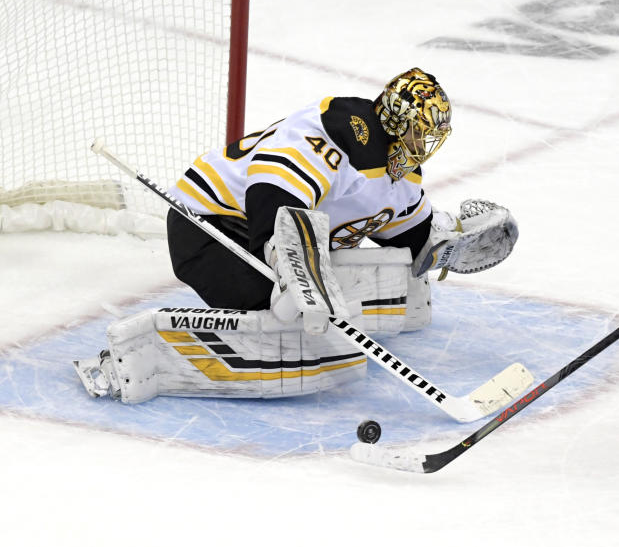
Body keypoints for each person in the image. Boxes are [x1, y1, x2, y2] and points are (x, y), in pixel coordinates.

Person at [74, 68, 519, 403]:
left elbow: (409, 233)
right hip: (211, 224)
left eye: (433, 135)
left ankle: (292, 287)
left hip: (281, 238)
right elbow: (272, 199)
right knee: (287, 320)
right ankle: (136, 358)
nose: (426, 144)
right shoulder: (330, 135)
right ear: (396, 121)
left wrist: (440, 244)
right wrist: (297, 279)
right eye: (421, 133)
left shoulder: (401, 176)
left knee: (321, 326)